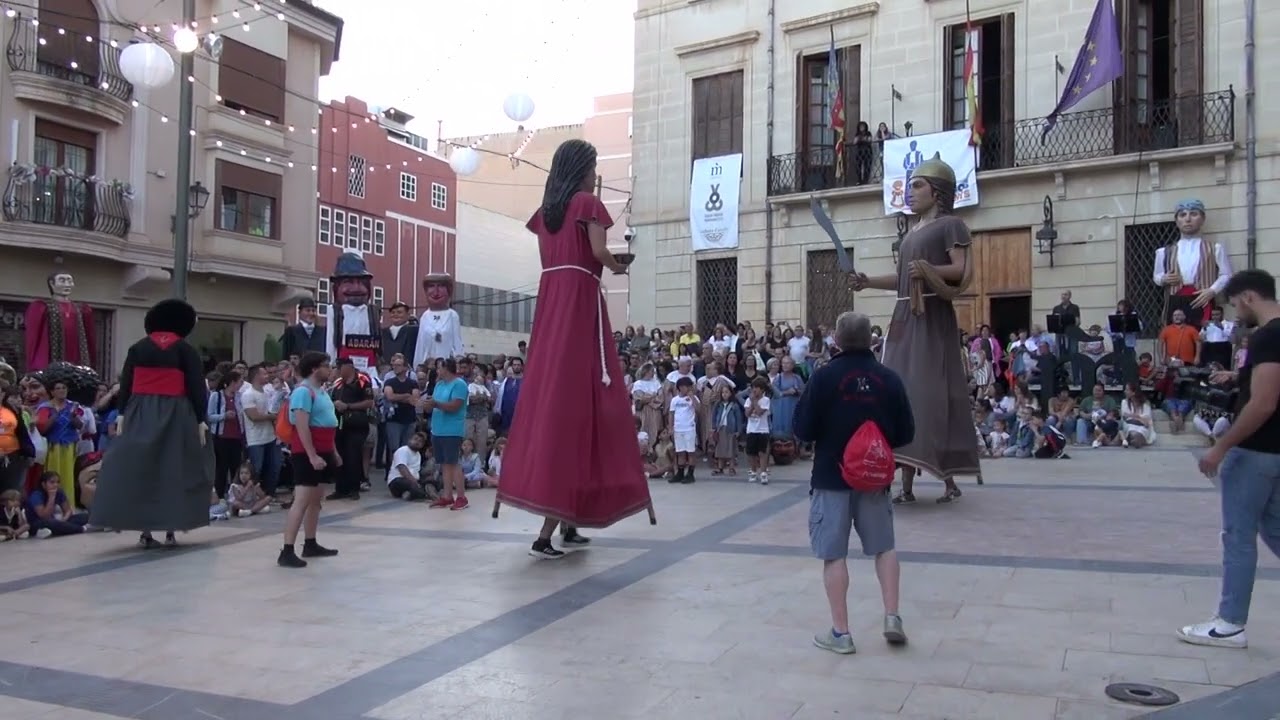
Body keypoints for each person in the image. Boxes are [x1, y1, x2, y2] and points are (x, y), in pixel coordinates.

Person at [496, 138, 652, 559]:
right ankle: (547, 533)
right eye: (593, 166)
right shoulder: (587, 204)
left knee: (558, 399)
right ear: (583, 168)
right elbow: (598, 251)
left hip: (552, 304)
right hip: (579, 301)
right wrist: (617, 266)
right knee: (579, 402)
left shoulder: (546, 213)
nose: (595, 173)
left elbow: (552, 259)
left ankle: (566, 522)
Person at [850, 153, 980, 504]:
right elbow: (903, 278)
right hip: (904, 316)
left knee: (928, 395)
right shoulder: (911, 232)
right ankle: (904, 486)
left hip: (931, 315)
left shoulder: (951, 225)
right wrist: (868, 281)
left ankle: (948, 479)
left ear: (936, 192)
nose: (910, 191)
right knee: (899, 395)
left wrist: (926, 269)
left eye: (918, 185)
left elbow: (960, 270)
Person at [794, 312, 916, 654]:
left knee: (834, 555)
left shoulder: (823, 376)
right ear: (870, 340)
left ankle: (841, 632)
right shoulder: (889, 378)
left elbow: (802, 429)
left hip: (831, 477)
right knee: (884, 547)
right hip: (874, 479)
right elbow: (906, 432)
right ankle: (892, 615)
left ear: (836, 340)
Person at [1180, 269, 1280, 648]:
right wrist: (1238, 378)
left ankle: (1230, 623)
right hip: (1276, 451)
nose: (1237, 312)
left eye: (1237, 304)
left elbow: (1265, 402)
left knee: (1238, 536)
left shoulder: (1267, 336)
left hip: (1255, 450)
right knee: (1275, 529)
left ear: (1249, 297)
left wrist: (1221, 447)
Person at [90, 299, 214, 549]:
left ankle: (144, 529)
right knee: (176, 468)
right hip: (177, 412)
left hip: (140, 410)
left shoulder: (138, 348)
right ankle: (171, 527)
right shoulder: (185, 350)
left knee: (140, 468)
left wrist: (122, 412)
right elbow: (196, 387)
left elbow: (126, 382)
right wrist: (201, 418)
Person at [278, 351, 341, 569]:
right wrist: (312, 455)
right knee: (302, 500)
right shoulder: (303, 392)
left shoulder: (320, 390)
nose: (330, 369)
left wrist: (333, 452)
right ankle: (287, 550)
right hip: (306, 453)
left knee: (315, 501)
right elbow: (302, 426)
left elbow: (328, 422)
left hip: (323, 449)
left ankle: (310, 543)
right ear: (314, 369)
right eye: (326, 365)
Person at [423, 357, 470, 510]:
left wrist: (436, 404)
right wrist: (427, 404)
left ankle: (461, 497)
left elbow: (455, 406)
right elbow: (434, 403)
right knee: (444, 463)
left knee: (454, 462)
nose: (437, 371)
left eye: (439, 368)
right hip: (438, 428)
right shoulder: (439, 384)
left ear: (446, 368)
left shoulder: (459, 384)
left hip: (452, 429)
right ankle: (447, 496)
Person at [330, 358, 374, 501]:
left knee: (353, 456)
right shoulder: (338, 383)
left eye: (339, 368)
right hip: (339, 425)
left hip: (357, 424)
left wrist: (348, 406)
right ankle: (340, 489)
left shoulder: (362, 381)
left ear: (348, 367)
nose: (337, 370)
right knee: (340, 456)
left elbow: (369, 402)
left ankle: (354, 488)